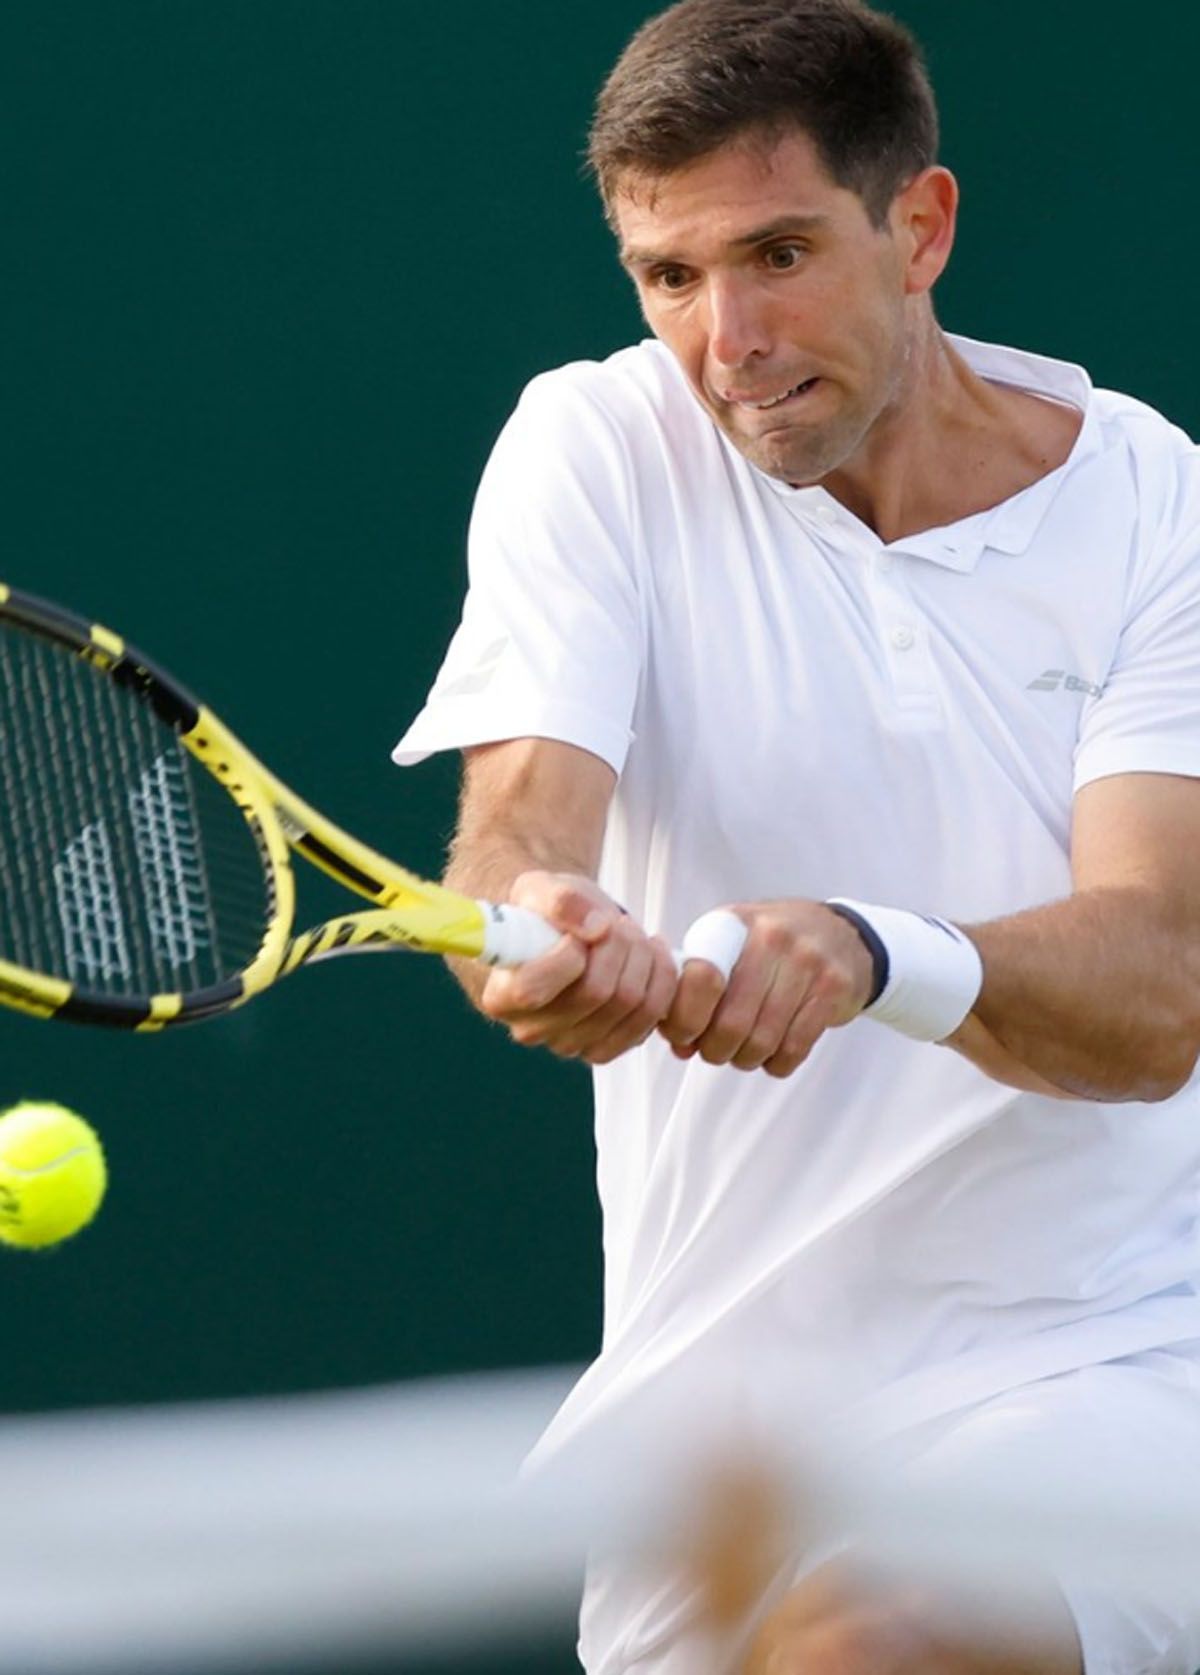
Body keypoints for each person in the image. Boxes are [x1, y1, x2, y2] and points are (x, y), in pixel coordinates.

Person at [393, 1, 1200, 1670]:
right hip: (714, 1417)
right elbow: (521, 819)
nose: (729, 338)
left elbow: (1161, 989)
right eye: (669, 277)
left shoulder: (1159, 511)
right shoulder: (595, 444)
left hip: (1102, 1364)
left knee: (875, 1643)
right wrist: (541, 917)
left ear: (921, 225)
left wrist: (871, 949)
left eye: (776, 253)